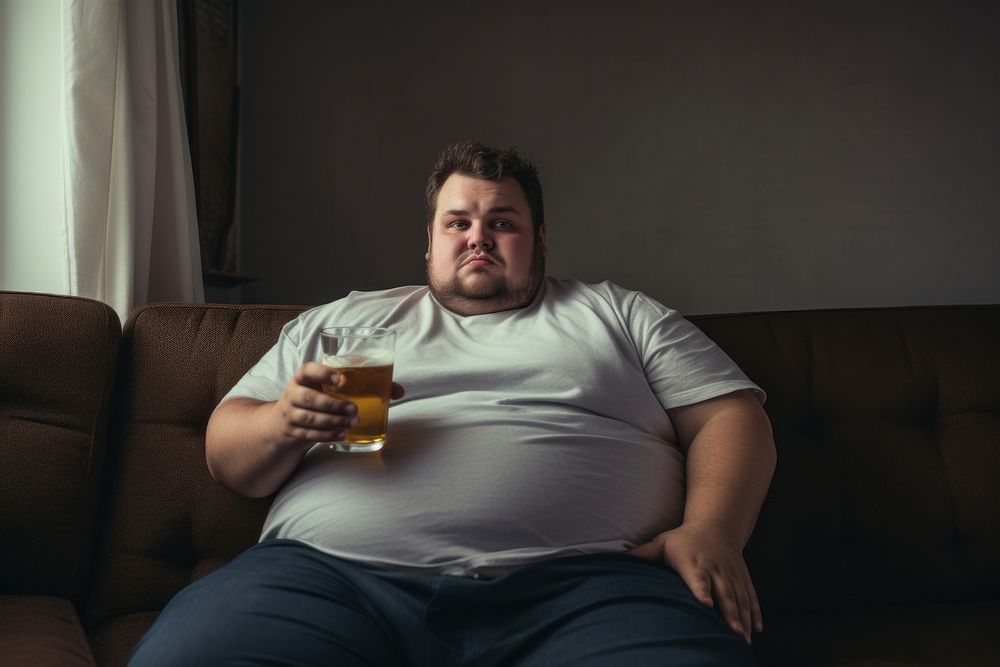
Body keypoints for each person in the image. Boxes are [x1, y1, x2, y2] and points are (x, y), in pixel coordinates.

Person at [129, 141, 776, 666]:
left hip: (587, 588)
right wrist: (284, 422)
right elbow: (226, 451)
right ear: (430, 241)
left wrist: (711, 529)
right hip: (330, 578)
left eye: (502, 223)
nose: (479, 238)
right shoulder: (345, 320)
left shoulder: (619, 314)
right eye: (458, 222)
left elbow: (730, 413)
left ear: (541, 239)